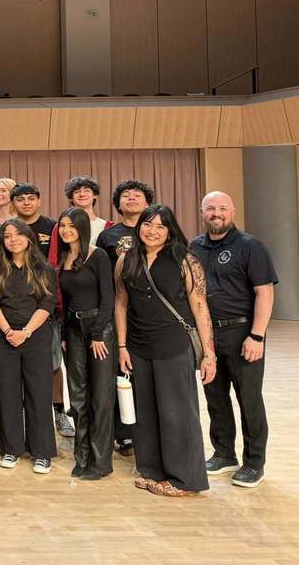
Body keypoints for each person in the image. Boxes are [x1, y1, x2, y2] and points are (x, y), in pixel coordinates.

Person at [115, 204, 216, 497]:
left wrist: (209, 354)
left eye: (161, 226)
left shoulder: (185, 260)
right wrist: (122, 345)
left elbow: (200, 306)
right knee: (145, 412)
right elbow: (121, 303)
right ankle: (152, 471)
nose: (153, 231)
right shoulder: (126, 259)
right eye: (148, 224)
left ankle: (186, 480)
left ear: (170, 231)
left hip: (174, 344)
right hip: (138, 345)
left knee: (177, 414)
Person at [190, 191, 277, 488]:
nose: (216, 213)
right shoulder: (194, 247)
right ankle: (224, 454)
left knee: (249, 400)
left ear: (233, 211)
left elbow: (265, 293)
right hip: (208, 335)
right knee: (215, 397)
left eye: (222, 208)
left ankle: (254, 463)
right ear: (202, 212)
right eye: (210, 208)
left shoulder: (251, 246)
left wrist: (257, 336)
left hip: (242, 334)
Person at [0, 218, 58, 474]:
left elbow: (47, 304)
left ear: (28, 237)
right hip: (3, 338)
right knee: (8, 393)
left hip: (35, 337)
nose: (12, 240)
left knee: (39, 393)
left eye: (17, 234)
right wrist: (8, 332)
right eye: (7, 236)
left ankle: (42, 452)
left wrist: (25, 332)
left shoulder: (43, 268)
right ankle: (11, 448)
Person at [56, 207, 115, 480]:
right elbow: (66, 301)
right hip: (74, 331)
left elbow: (108, 298)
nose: (66, 230)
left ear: (82, 227)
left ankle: (100, 462)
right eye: (62, 226)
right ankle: (81, 457)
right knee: (78, 397)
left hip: (98, 330)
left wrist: (98, 334)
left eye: (71, 225)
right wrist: (65, 335)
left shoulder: (98, 255)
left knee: (100, 397)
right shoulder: (64, 258)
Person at [96, 178, 154, 456]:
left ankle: (150, 431)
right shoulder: (108, 235)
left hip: (151, 313)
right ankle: (124, 433)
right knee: (122, 373)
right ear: (117, 204)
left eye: (137, 195)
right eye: (126, 195)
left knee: (149, 374)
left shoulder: (156, 231)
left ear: (148, 202)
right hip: (118, 310)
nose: (131, 198)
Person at [12, 182, 70, 438]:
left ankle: (58, 411)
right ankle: (26, 411)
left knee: (53, 362)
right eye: (20, 199)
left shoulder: (53, 227)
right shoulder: (10, 228)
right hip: (17, 304)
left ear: (39, 200)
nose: (26, 203)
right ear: (13, 203)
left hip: (47, 304)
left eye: (30, 198)